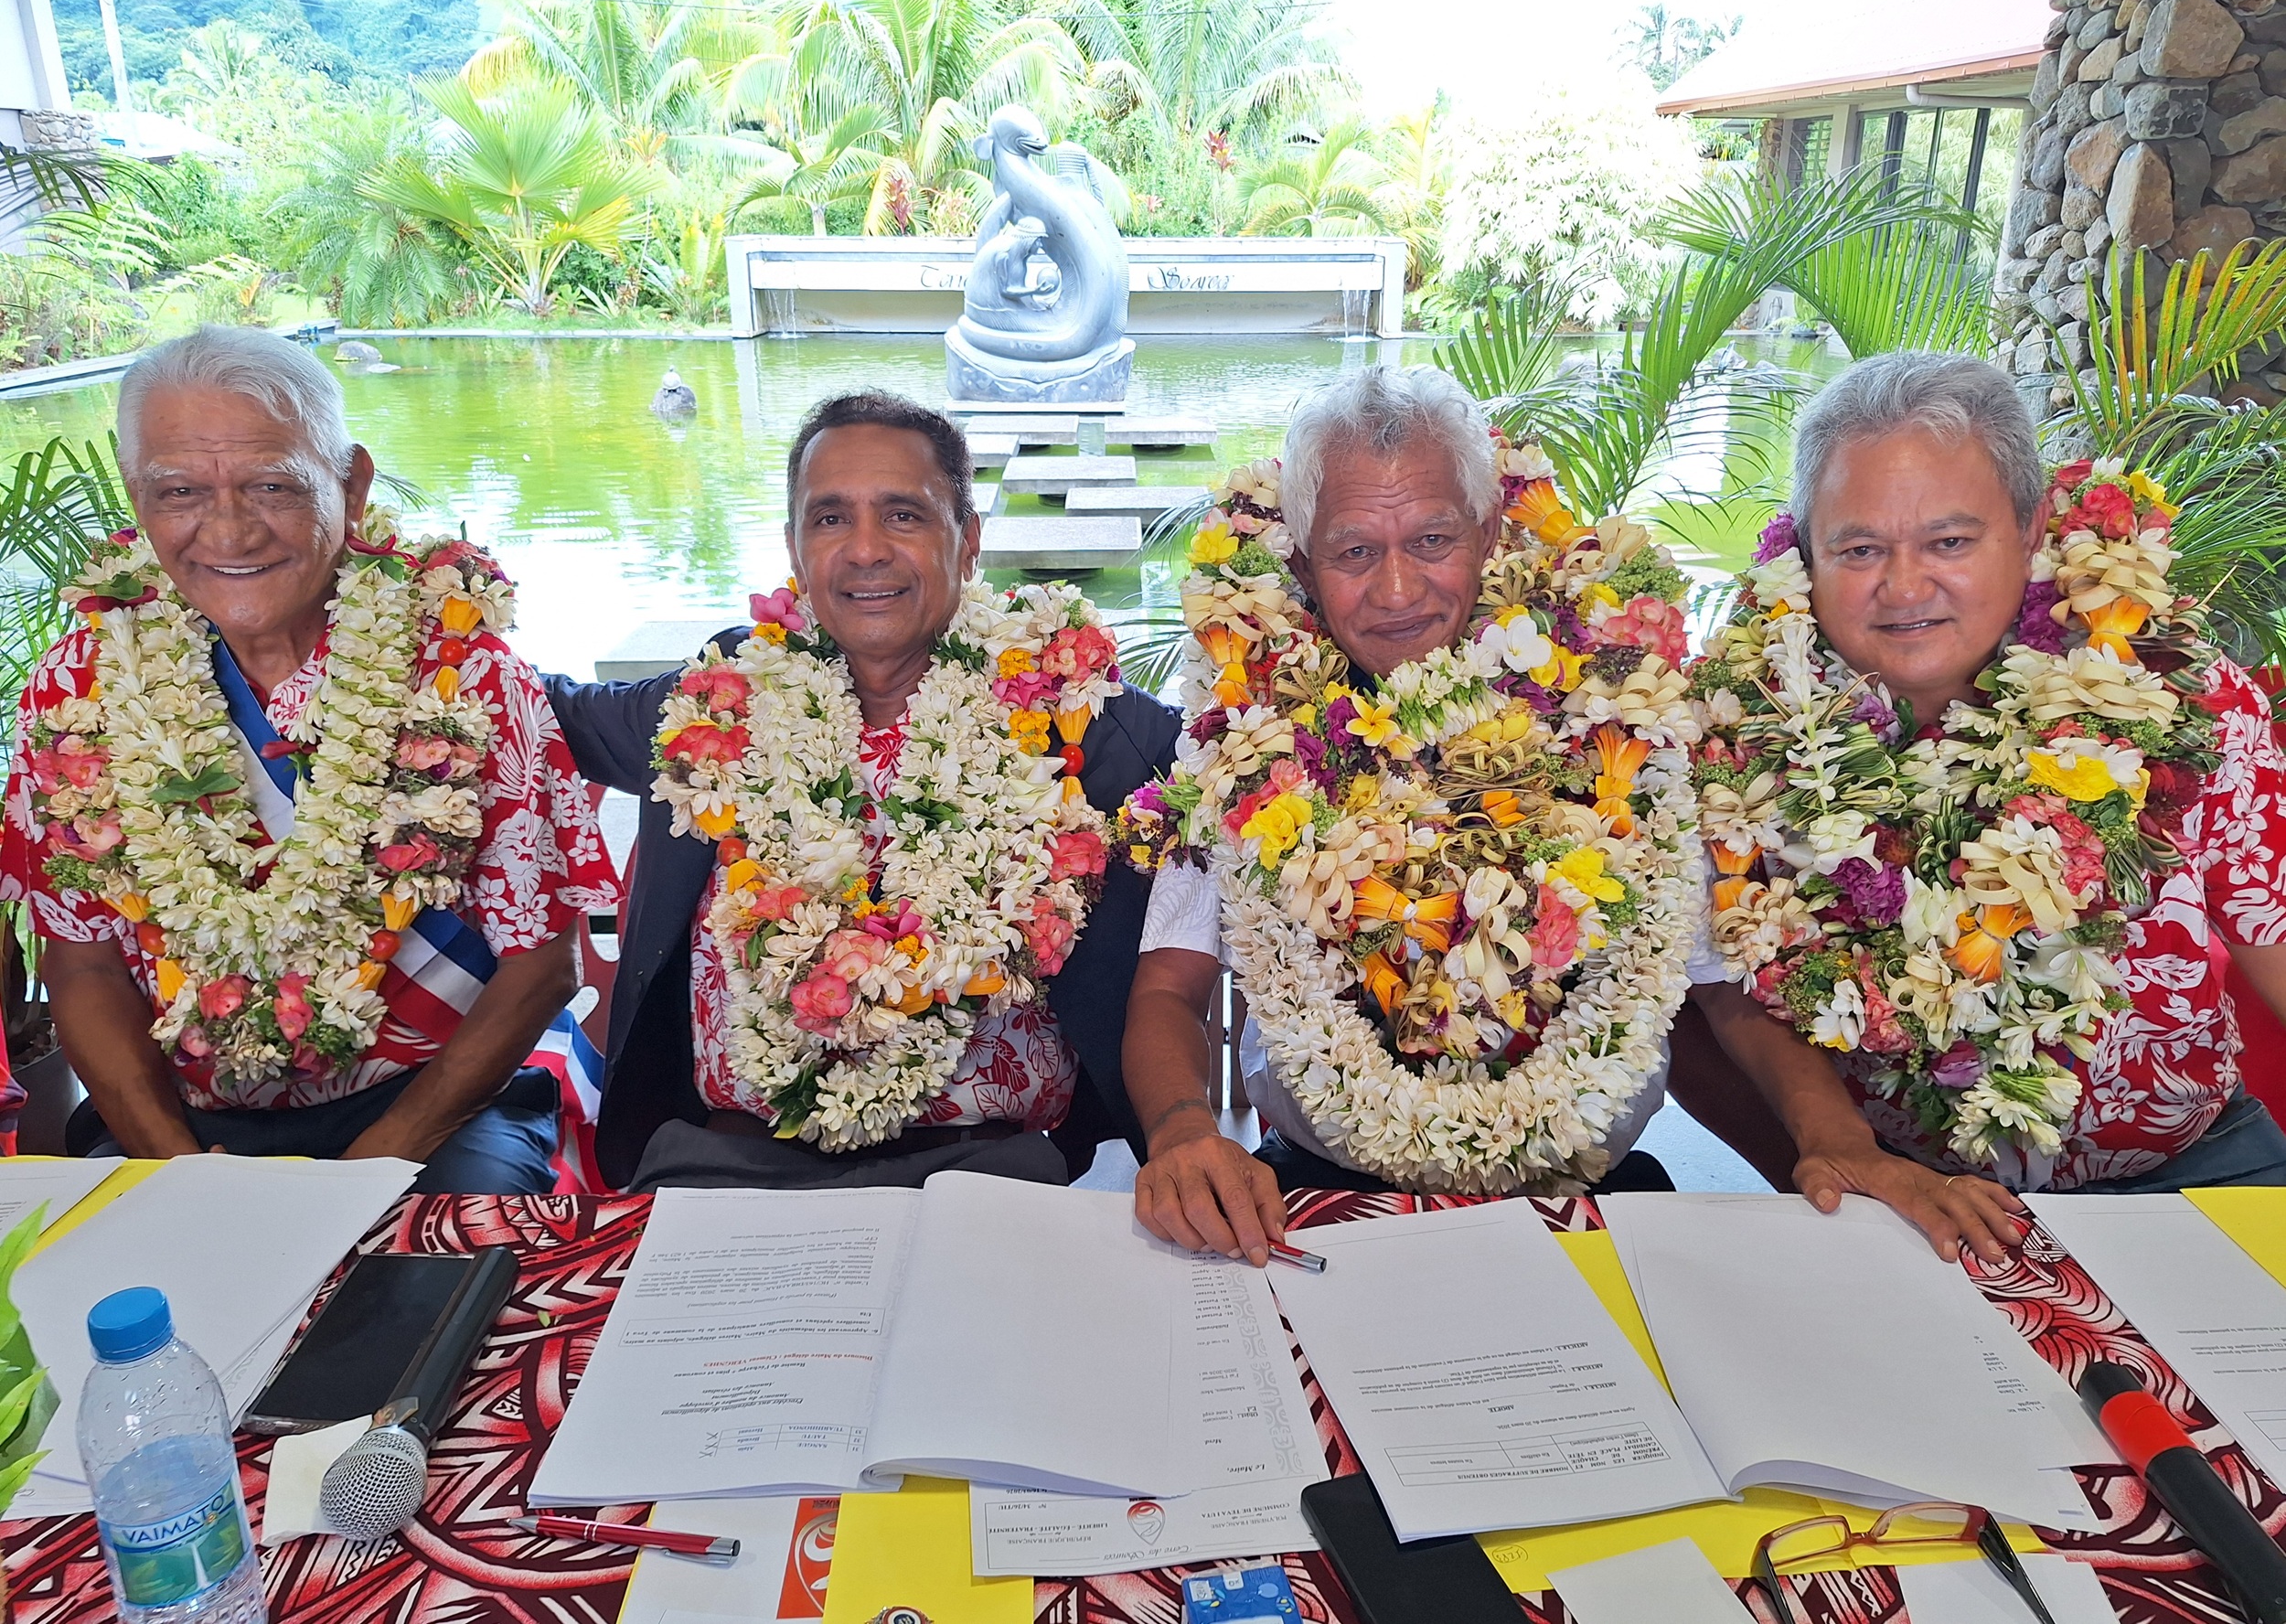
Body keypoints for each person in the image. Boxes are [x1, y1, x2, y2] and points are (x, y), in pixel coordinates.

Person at [1679, 350, 2286, 1264]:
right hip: (1911, 1184)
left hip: (2196, 1170)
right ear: (1804, 554)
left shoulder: (2184, 699)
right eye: (1858, 549)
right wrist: (1835, 1141)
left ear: (2030, 525)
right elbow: (1726, 971)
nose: (1905, 585)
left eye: (1949, 542)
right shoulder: (1740, 722)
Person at [0, 326, 619, 1192]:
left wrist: (371, 1168)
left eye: (271, 484)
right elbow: (83, 959)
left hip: (434, 1104)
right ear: (138, 502)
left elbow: (538, 963)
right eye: (179, 490)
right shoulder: (77, 685)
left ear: (351, 484)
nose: (228, 529)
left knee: (433, 1285)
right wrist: (180, 1169)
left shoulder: (461, 670)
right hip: (177, 1115)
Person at [1121, 365, 1699, 1266]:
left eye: (1432, 540)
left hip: (1585, 1197)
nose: (1397, 590)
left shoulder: (1618, 710)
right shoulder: (1239, 737)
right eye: (1355, 552)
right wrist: (1183, 1129)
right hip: (1318, 1199)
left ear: (1489, 533)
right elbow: (1166, 990)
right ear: (1304, 565)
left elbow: (1701, 979)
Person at [544, 391, 1180, 1192]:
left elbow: (1230, 761)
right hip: (731, 1154)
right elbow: (544, 710)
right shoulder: (721, 696)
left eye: (905, 516)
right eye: (831, 518)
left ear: (969, 540)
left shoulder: (1064, 702)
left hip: (995, 1165)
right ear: (794, 546)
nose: (866, 549)